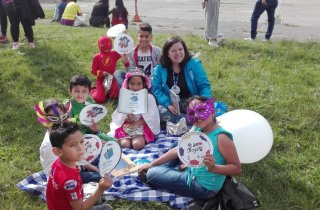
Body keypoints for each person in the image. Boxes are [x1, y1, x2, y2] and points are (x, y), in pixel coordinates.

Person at [138, 96, 241, 209]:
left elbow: (236, 168)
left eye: (201, 110)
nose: (196, 116)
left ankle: (163, 172)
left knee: (152, 174)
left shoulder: (221, 138)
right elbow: (177, 150)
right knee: (178, 145)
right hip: (192, 171)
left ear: (212, 111)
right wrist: (152, 164)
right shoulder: (197, 128)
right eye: (191, 113)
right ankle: (167, 170)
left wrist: (213, 167)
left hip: (203, 188)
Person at [46, 122, 114, 210]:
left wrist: (89, 166)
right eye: (72, 145)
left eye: (82, 141)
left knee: (94, 193)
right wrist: (100, 189)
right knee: (106, 208)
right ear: (58, 151)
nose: (80, 147)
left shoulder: (59, 162)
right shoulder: (70, 182)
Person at [37, 98, 102, 183]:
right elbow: (55, 174)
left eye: (62, 117)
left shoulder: (65, 130)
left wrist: (86, 165)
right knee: (100, 177)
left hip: (77, 164)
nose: (60, 122)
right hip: (67, 176)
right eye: (54, 119)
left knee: (101, 161)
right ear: (45, 120)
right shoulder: (48, 146)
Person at [152, 36, 211, 127]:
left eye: (180, 49)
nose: (178, 53)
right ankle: (193, 123)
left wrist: (201, 102)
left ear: (185, 50)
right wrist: (168, 105)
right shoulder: (160, 69)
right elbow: (157, 90)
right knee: (160, 112)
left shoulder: (194, 65)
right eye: (173, 51)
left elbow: (204, 86)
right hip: (172, 105)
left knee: (204, 112)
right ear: (167, 54)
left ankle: (182, 122)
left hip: (192, 103)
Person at [109, 69, 160, 150]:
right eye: (132, 84)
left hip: (142, 126)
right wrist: (126, 117)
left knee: (137, 145)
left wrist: (139, 122)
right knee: (125, 144)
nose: (135, 87)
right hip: (127, 125)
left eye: (139, 84)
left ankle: (141, 140)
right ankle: (126, 140)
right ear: (127, 84)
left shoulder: (149, 97)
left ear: (144, 84)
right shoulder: (125, 96)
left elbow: (153, 117)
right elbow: (119, 114)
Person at [114, 23, 161, 87]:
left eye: (146, 36)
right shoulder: (132, 52)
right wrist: (126, 63)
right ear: (137, 36)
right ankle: (125, 91)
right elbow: (130, 72)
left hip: (152, 81)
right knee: (117, 73)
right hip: (136, 81)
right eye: (141, 36)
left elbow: (159, 70)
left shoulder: (157, 51)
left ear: (151, 37)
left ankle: (148, 89)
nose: (144, 39)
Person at [91, 36, 129, 103]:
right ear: (99, 45)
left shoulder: (114, 54)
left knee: (115, 95)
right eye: (103, 45)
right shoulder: (96, 57)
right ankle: (94, 91)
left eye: (108, 44)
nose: (106, 48)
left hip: (111, 78)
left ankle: (105, 91)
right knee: (99, 99)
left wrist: (122, 38)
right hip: (100, 79)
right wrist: (101, 73)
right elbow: (93, 71)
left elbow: (122, 52)